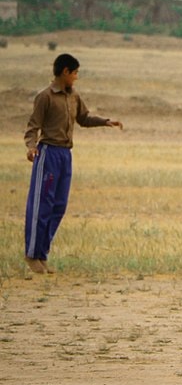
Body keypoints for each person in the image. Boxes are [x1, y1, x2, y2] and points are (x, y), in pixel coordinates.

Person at [23, 53, 123, 274]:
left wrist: (106, 122)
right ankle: (31, 254)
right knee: (42, 205)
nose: (77, 77)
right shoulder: (45, 97)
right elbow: (33, 126)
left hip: (65, 156)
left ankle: (42, 254)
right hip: (48, 153)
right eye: (75, 73)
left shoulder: (73, 96)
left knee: (59, 206)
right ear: (65, 72)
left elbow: (84, 118)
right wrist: (31, 147)